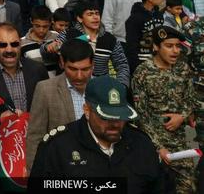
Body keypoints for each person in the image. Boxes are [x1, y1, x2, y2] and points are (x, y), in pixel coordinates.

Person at [30, 76, 161, 192]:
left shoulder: (141, 144)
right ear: (87, 110)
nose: (115, 124)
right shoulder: (57, 148)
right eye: (106, 117)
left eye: (120, 117)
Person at [132, 25, 197, 193]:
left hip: (182, 140)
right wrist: (158, 147)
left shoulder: (183, 69)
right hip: (153, 142)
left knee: (189, 186)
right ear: (155, 47)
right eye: (169, 46)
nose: (175, 51)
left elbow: (191, 100)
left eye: (177, 46)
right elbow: (140, 115)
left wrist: (181, 117)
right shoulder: (143, 72)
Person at [26, 39, 94, 170]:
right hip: (60, 169)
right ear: (62, 63)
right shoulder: (45, 90)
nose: (79, 76)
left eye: (85, 69)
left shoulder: (102, 88)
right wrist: (33, 174)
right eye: (73, 69)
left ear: (93, 65)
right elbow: (35, 136)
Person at [43, 1, 130, 86]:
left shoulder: (110, 39)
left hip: (100, 88)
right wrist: (49, 46)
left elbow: (122, 64)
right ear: (80, 18)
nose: (95, 17)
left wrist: (121, 86)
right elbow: (47, 49)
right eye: (90, 14)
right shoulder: (69, 34)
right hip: (71, 86)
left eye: (97, 13)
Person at [124, 0, 165, 73]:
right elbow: (131, 45)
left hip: (158, 60)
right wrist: (136, 65)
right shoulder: (135, 18)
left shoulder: (159, 15)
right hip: (141, 61)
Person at [20, 5, 59, 75]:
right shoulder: (22, 43)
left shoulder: (57, 37)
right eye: (37, 26)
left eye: (45, 26)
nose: (41, 30)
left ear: (51, 23)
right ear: (31, 21)